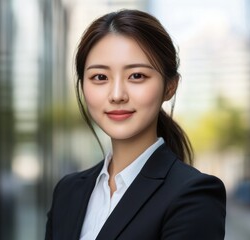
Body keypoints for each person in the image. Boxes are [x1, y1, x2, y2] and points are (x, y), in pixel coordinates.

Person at [45, 9, 226, 240]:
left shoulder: (194, 196)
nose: (117, 95)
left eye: (137, 76)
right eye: (100, 77)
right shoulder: (68, 192)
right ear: (83, 86)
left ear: (170, 86)